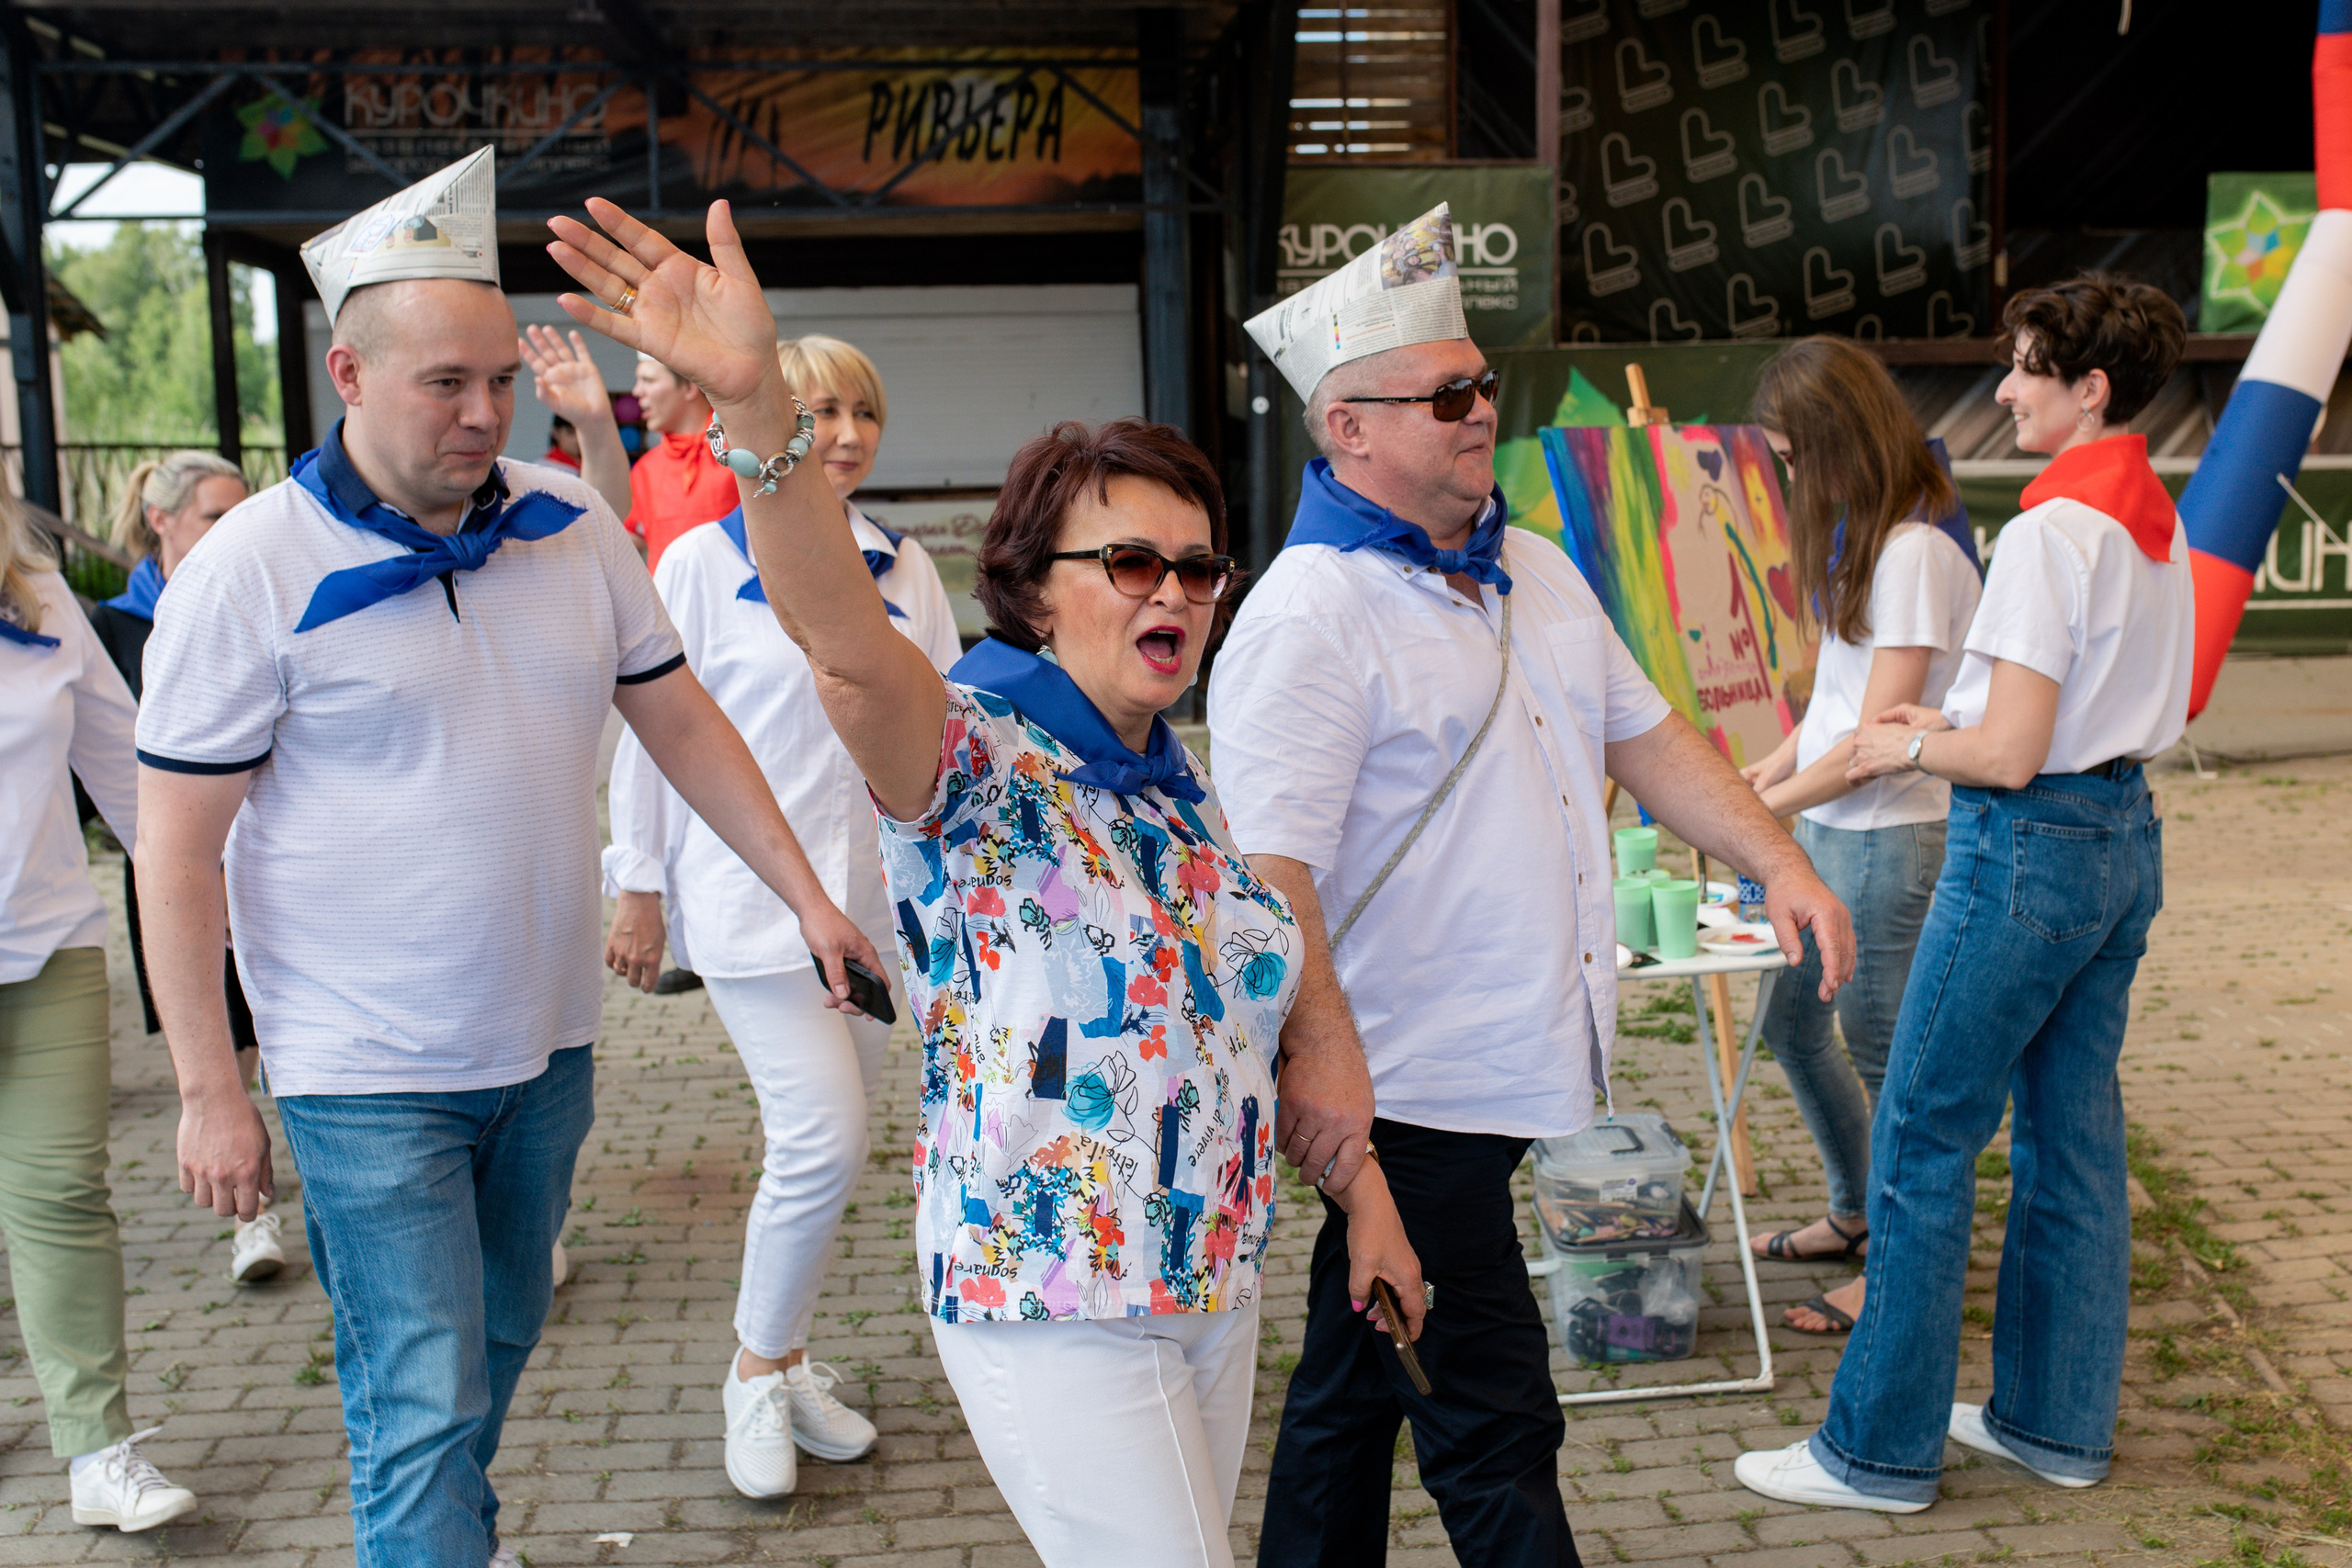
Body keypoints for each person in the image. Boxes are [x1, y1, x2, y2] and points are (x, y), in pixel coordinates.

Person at [546, 194, 1429, 1568]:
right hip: (1054, 1290)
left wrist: (1364, 1193)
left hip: (1209, 1275)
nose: (1178, 592)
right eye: (1133, 560)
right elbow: (842, 643)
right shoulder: (976, 750)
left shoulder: (1175, 776)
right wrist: (756, 409)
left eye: (1200, 565)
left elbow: (1248, 999)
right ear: (1030, 583)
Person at [134, 152, 884, 1568]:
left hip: (546, 1045)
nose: (486, 412)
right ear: (347, 372)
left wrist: (805, 894)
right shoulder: (249, 570)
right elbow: (175, 850)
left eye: (498, 379)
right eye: (445, 385)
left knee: (490, 1349)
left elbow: (684, 722)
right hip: (362, 1069)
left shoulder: (569, 522)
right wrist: (206, 1089)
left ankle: (443, 1539)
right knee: (421, 1396)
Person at [1210, 203, 1857, 1566]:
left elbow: (1655, 738)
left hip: (1498, 1067)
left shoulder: (1537, 567)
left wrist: (1781, 857)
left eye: (1480, 385)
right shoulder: (1306, 614)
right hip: (1407, 1084)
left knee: (1349, 1389)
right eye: (1444, 394)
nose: (1477, 412)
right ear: (1349, 428)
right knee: (1494, 1424)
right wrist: (1329, 1086)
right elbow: (1270, 885)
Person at [1736, 274, 2191, 1513]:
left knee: (1926, 1136)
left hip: (2027, 848)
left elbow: (2005, 757)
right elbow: (2134, 703)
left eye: (2029, 368)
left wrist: (1909, 744)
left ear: (2089, 388)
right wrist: (1964, 718)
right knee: (2073, 1139)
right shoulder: (2157, 519)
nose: (2005, 388)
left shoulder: (2053, 527)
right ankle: (2053, 1423)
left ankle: (1874, 1452)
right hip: (2119, 838)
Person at [601, 333, 959, 1499]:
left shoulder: (903, 568)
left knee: (832, 1144)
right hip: (753, 907)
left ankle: (793, 1358)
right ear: (756, 429)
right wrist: (637, 882)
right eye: (815, 414)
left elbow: (950, 731)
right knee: (825, 1138)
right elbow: (653, 735)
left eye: (862, 413)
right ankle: (755, 1370)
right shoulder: (699, 563)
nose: (843, 437)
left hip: (878, 911)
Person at [1736, 339, 1984, 1337]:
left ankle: (1903, 1270)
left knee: (1895, 1069)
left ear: (1841, 439)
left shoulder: (1917, 551)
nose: (1789, 477)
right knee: (1791, 1026)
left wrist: (1765, 809)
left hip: (1891, 841)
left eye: (1793, 456)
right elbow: (1841, 701)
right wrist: (1768, 771)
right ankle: (1854, 1214)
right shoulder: (1867, 535)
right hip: (1834, 832)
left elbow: (1881, 742)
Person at [0, 496, 200, 1532]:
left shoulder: (39, 606)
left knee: (61, 1199)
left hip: (45, 949)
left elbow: (129, 776)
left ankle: (97, 1450)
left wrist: (215, 907)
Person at [87, 451, 289, 1285]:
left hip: (275, 855)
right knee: (223, 1035)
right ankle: (253, 1215)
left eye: (242, 510)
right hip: (177, 866)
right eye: (213, 514)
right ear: (162, 521)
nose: (232, 528)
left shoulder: (259, 594)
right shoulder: (114, 626)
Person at [626, 350, 739, 571]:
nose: (636, 391)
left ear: (689, 386)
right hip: (669, 604)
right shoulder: (645, 469)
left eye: (648, 380)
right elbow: (627, 542)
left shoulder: (739, 456)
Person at [520, 324, 634, 525]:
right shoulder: (540, 470)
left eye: (578, 430)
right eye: (570, 432)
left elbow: (611, 516)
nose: (577, 439)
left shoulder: (592, 463)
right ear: (555, 432)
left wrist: (596, 423)